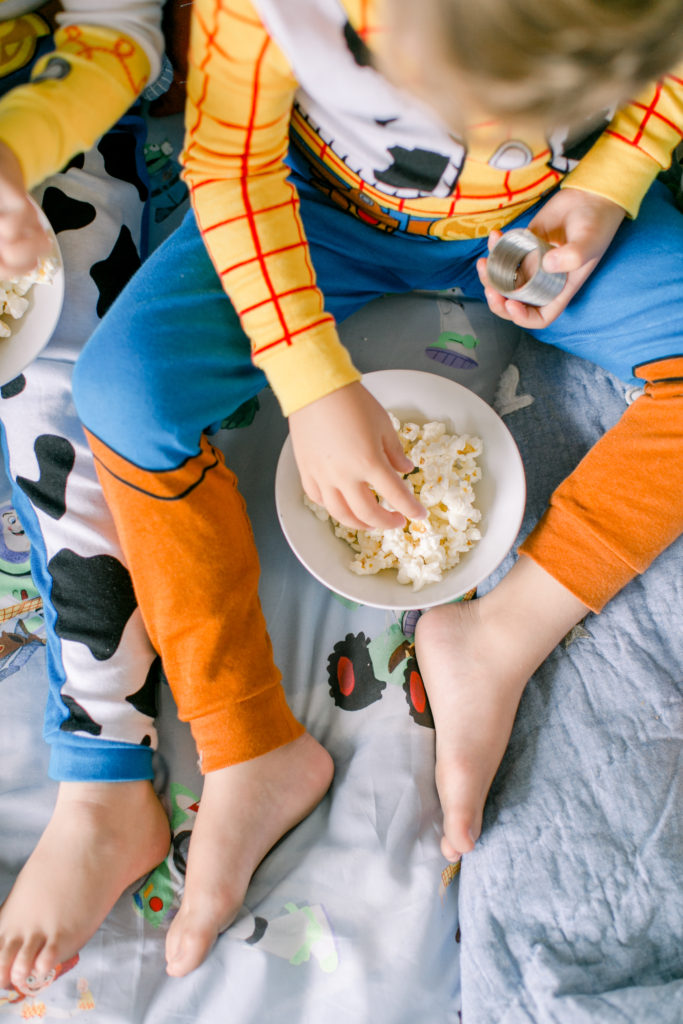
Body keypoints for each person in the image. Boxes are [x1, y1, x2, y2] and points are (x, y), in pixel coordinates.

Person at [72, 0, 683, 978]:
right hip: (305, 213)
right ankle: (245, 744)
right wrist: (308, 379)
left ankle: (497, 637)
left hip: (548, 217)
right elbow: (229, 165)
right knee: (122, 392)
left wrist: (612, 175)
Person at [0, 0, 173, 995]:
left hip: (50, 129)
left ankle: (105, 775)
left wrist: (16, 153)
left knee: (64, 410)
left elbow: (116, 29)